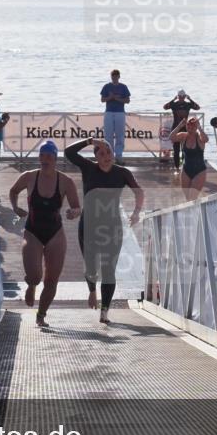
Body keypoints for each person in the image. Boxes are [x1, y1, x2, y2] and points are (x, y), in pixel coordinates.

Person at [65, 136, 144, 323]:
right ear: (96, 157)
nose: (106, 156)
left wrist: (136, 212)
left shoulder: (122, 173)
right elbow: (69, 153)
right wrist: (90, 141)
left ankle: (105, 311)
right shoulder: (88, 168)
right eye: (102, 153)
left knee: (109, 270)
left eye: (109, 152)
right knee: (91, 267)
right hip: (89, 225)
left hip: (112, 226)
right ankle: (92, 290)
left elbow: (138, 191)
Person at [8, 141, 81, 327]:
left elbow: (76, 206)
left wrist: (74, 212)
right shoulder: (29, 177)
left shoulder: (65, 181)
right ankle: (31, 285)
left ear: (55, 158)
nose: (44, 159)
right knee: (35, 275)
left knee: (51, 281)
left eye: (49, 156)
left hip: (55, 233)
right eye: (42, 155)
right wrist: (15, 207)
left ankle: (41, 314)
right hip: (33, 231)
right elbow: (13, 190)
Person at [170, 116, 209, 201]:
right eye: (188, 125)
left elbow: (206, 139)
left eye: (193, 126)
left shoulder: (199, 137)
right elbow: (171, 137)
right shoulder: (183, 136)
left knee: (193, 197)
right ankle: (190, 214)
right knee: (187, 198)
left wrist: (199, 128)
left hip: (200, 170)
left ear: (196, 126)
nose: (190, 127)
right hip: (186, 170)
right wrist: (179, 126)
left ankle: (196, 213)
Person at [163, 90, 201, 170]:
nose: (181, 98)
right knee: (176, 150)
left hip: (185, 128)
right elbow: (165, 107)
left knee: (185, 149)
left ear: (184, 97)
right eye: (179, 97)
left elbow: (197, 107)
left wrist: (190, 99)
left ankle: (184, 167)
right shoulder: (174, 104)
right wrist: (173, 100)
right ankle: (177, 168)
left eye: (182, 97)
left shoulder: (188, 104)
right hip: (176, 128)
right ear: (178, 96)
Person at [100, 70, 131, 165]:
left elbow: (127, 100)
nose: (114, 78)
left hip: (120, 113)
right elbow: (102, 99)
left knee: (120, 135)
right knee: (108, 135)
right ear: (111, 77)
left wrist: (117, 98)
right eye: (113, 76)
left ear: (119, 77)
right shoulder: (106, 86)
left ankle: (119, 156)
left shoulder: (123, 87)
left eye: (116, 76)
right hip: (109, 112)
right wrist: (110, 97)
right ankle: (109, 156)